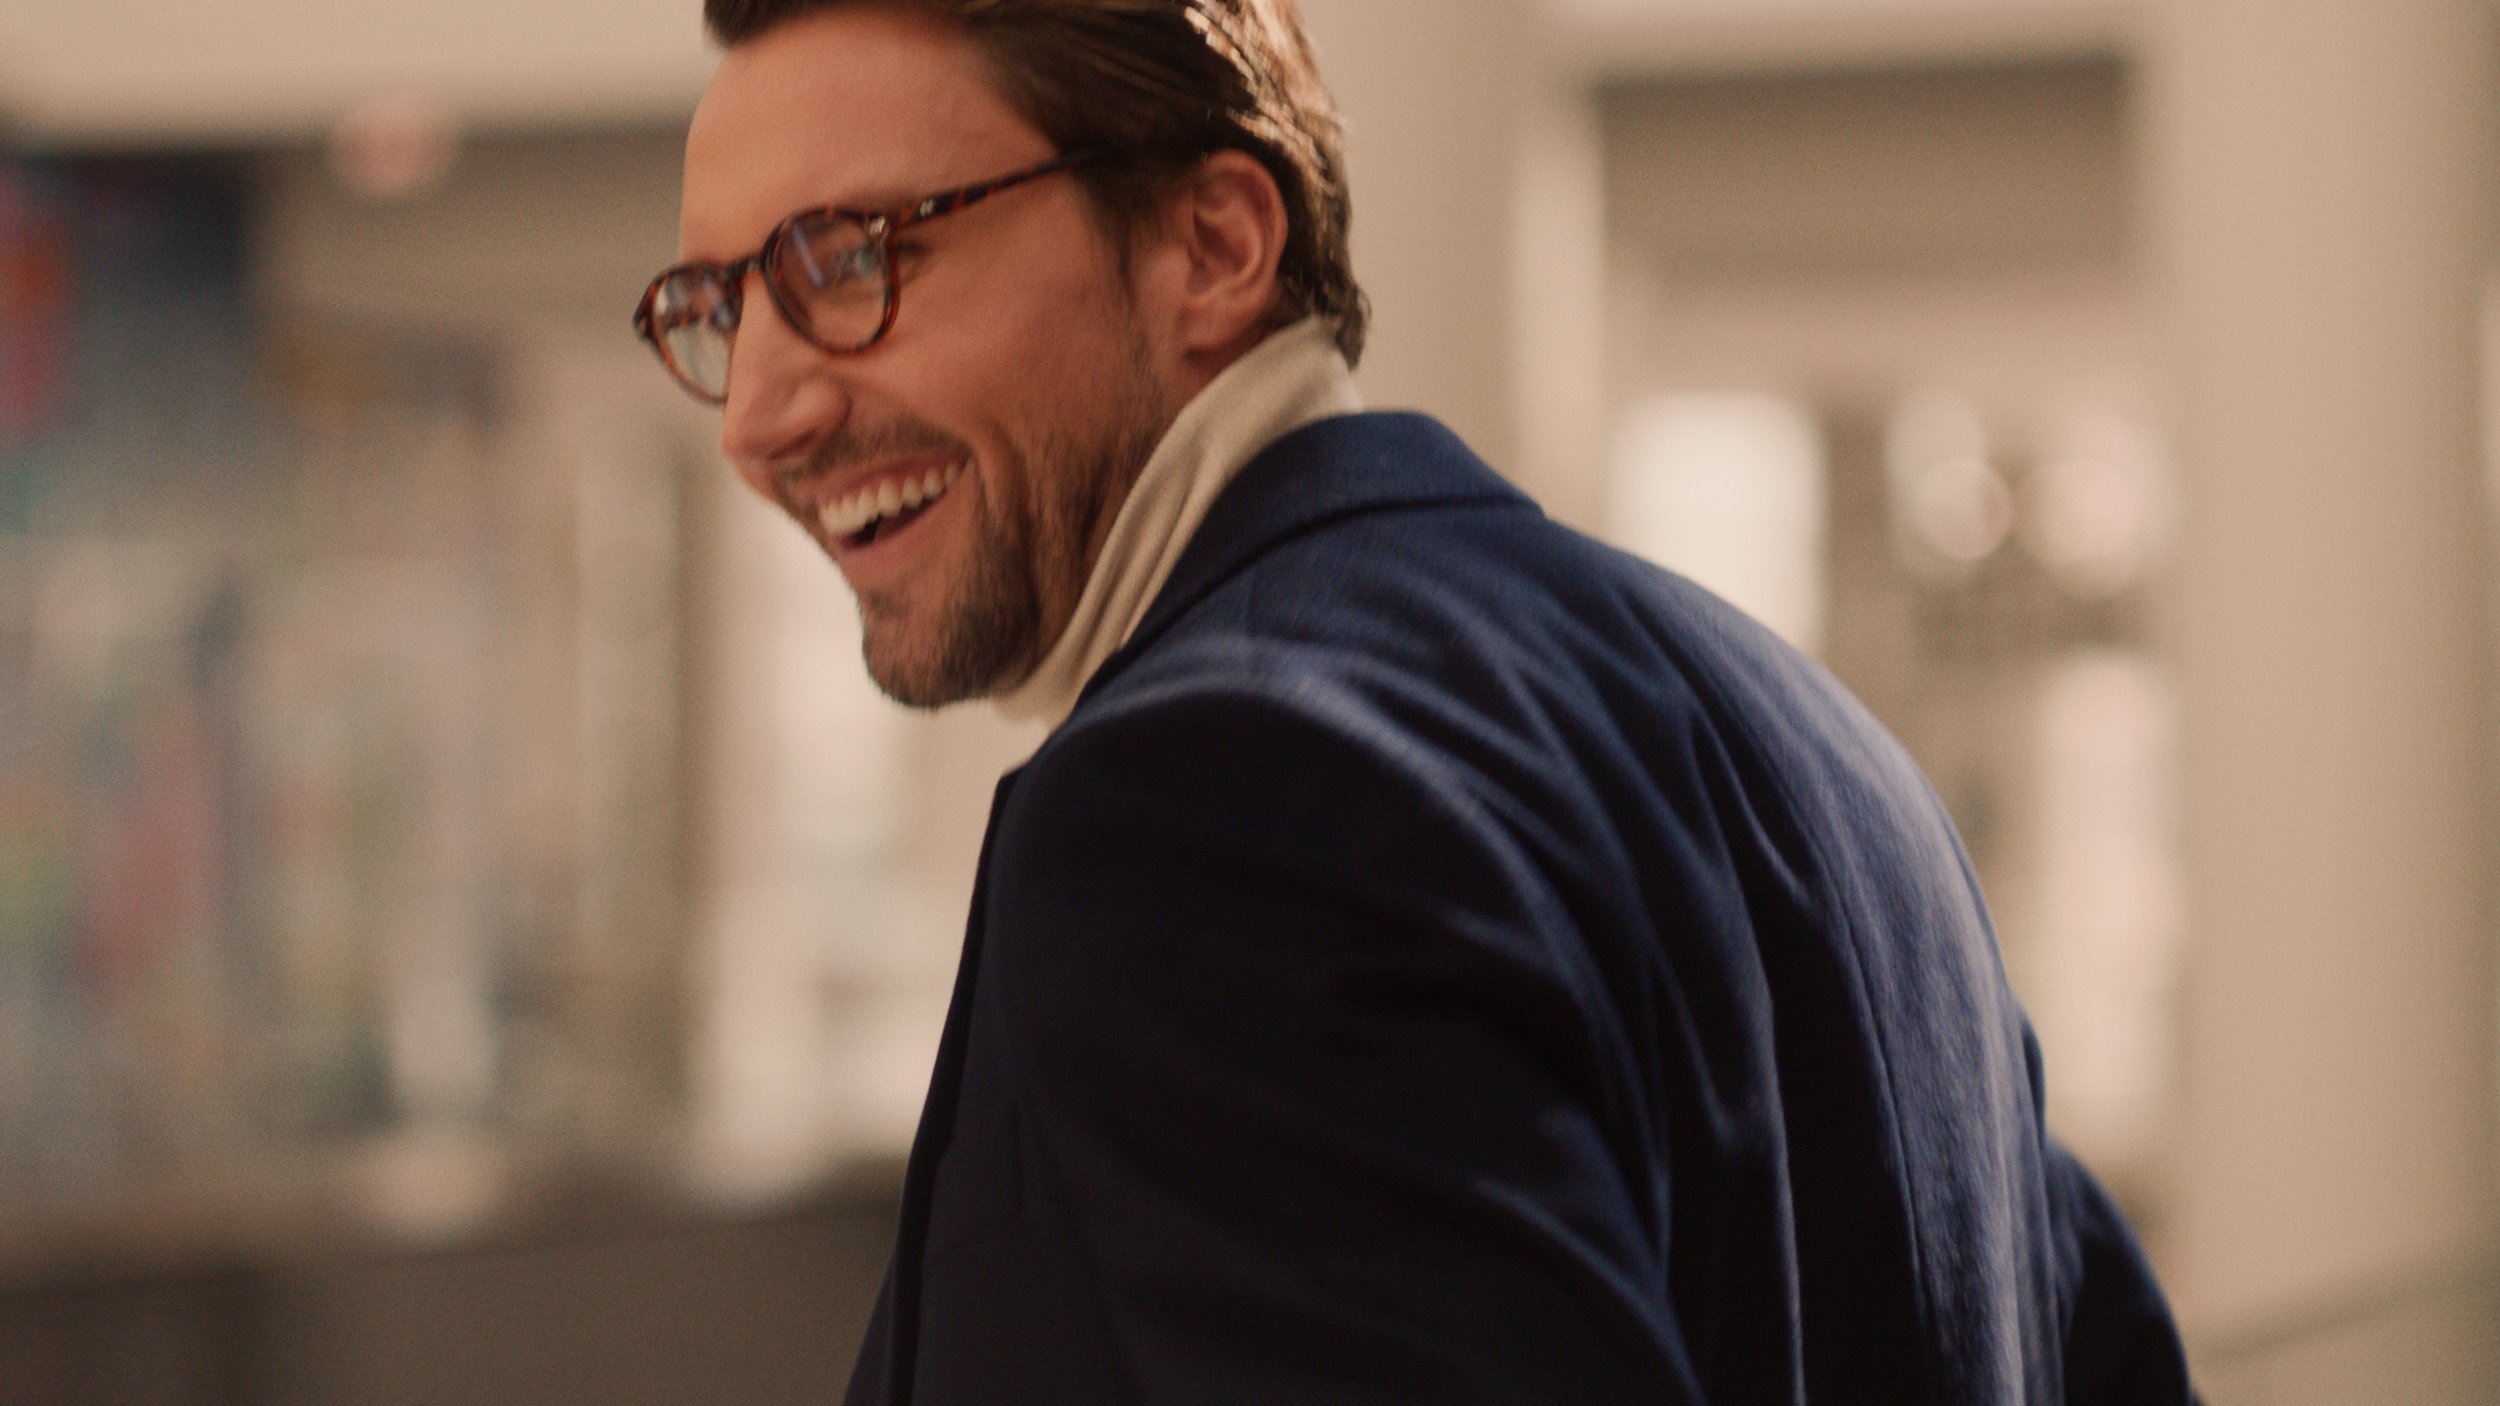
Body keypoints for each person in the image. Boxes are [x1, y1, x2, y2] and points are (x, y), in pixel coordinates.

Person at [636, 1, 2200, 1400]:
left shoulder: (1205, 811)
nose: (758, 417)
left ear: (1214, 244)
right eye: (717, 304)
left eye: (851, 260)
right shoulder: (1823, 746)